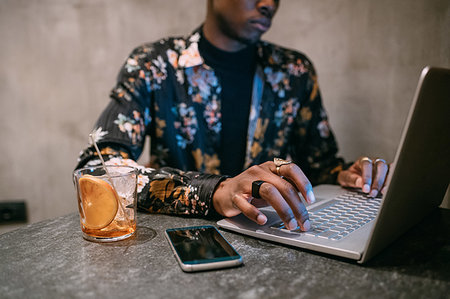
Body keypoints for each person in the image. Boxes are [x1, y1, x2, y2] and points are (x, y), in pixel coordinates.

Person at [76, 0, 389, 232]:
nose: (269, 4)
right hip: (180, 246)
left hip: (275, 241)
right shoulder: (155, 65)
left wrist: (349, 176)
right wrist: (214, 191)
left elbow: (319, 164)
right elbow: (97, 168)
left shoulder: (294, 72)